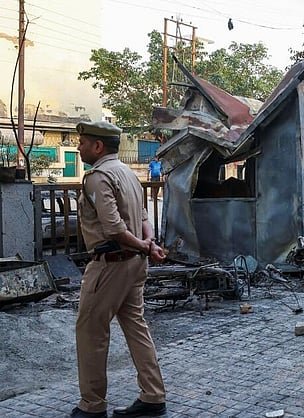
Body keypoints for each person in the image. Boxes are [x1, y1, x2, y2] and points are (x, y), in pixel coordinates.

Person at [72, 121, 168, 418]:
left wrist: (144, 246)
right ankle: (153, 396)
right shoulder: (127, 173)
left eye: (82, 143)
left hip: (110, 265)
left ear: (98, 146)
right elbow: (143, 217)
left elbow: (113, 228)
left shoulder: (98, 177)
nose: (79, 147)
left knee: (90, 332)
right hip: (134, 265)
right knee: (136, 327)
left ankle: (92, 405)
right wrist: (148, 245)